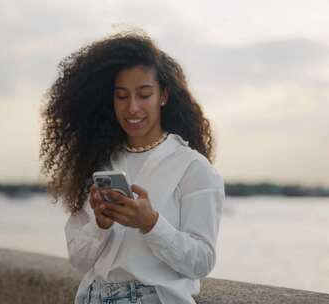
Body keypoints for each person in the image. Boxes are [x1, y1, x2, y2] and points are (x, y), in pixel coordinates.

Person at [40, 31, 224, 304]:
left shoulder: (193, 168)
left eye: (144, 94)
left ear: (163, 96)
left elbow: (202, 261)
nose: (132, 108)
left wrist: (151, 223)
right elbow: (78, 259)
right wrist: (100, 225)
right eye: (122, 96)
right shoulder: (99, 165)